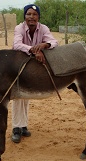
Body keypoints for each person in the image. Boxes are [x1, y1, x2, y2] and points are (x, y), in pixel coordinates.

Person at [11, 4, 59, 143]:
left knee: (26, 95)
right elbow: (17, 45)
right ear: (25, 16)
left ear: (38, 17)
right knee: (18, 96)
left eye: (34, 14)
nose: (31, 17)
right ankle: (16, 128)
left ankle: (23, 125)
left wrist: (45, 45)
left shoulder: (43, 28)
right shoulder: (19, 28)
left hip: (32, 65)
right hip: (18, 62)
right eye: (29, 14)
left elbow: (54, 41)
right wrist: (34, 50)